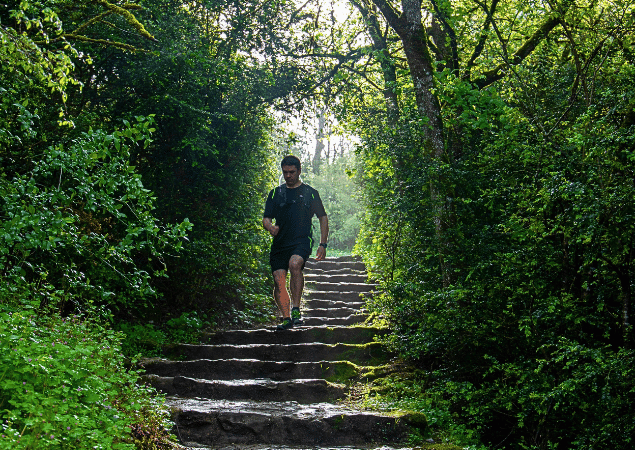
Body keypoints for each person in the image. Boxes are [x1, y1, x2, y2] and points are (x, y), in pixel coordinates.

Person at [263, 155, 329, 330]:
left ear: (299, 171)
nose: (288, 176)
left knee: (295, 264)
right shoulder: (276, 193)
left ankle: (296, 309)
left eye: (292, 172)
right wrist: (270, 227)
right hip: (279, 244)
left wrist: (323, 244)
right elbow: (266, 218)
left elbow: (323, 217)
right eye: (285, 172)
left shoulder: (310, 193)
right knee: (279, 280)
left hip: (301, 240)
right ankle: (286, 318)